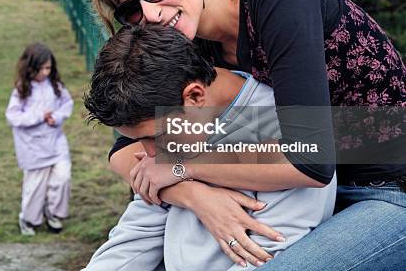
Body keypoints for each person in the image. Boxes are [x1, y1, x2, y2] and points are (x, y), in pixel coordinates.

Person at [86, 0, 406, 269]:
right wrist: (193, 194)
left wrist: (179, 168)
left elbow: (311, 159)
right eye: (130, 11)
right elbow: (128, 148)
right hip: (303, 199)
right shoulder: (186, 42)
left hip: (386, 191)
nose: (151, 13)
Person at [82, 24, 336, 270]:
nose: (149, 153)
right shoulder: (175, 139)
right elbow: (136, 237)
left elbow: (272, 257)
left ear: (195, 97)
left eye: (154, 137)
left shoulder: (284, 131)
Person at [5, 42, 74, 235]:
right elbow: (12, 116)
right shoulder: (22, 90)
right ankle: (29, 219)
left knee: (62, 177)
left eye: (48, 68)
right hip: (32, 146)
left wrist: (57, 117)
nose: (45, 72)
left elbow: (67, 103)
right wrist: (37, 117)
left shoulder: (55, 85)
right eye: (41, 68)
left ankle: (54, 213)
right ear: (30, 67)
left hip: (56, 142)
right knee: (35, 186)